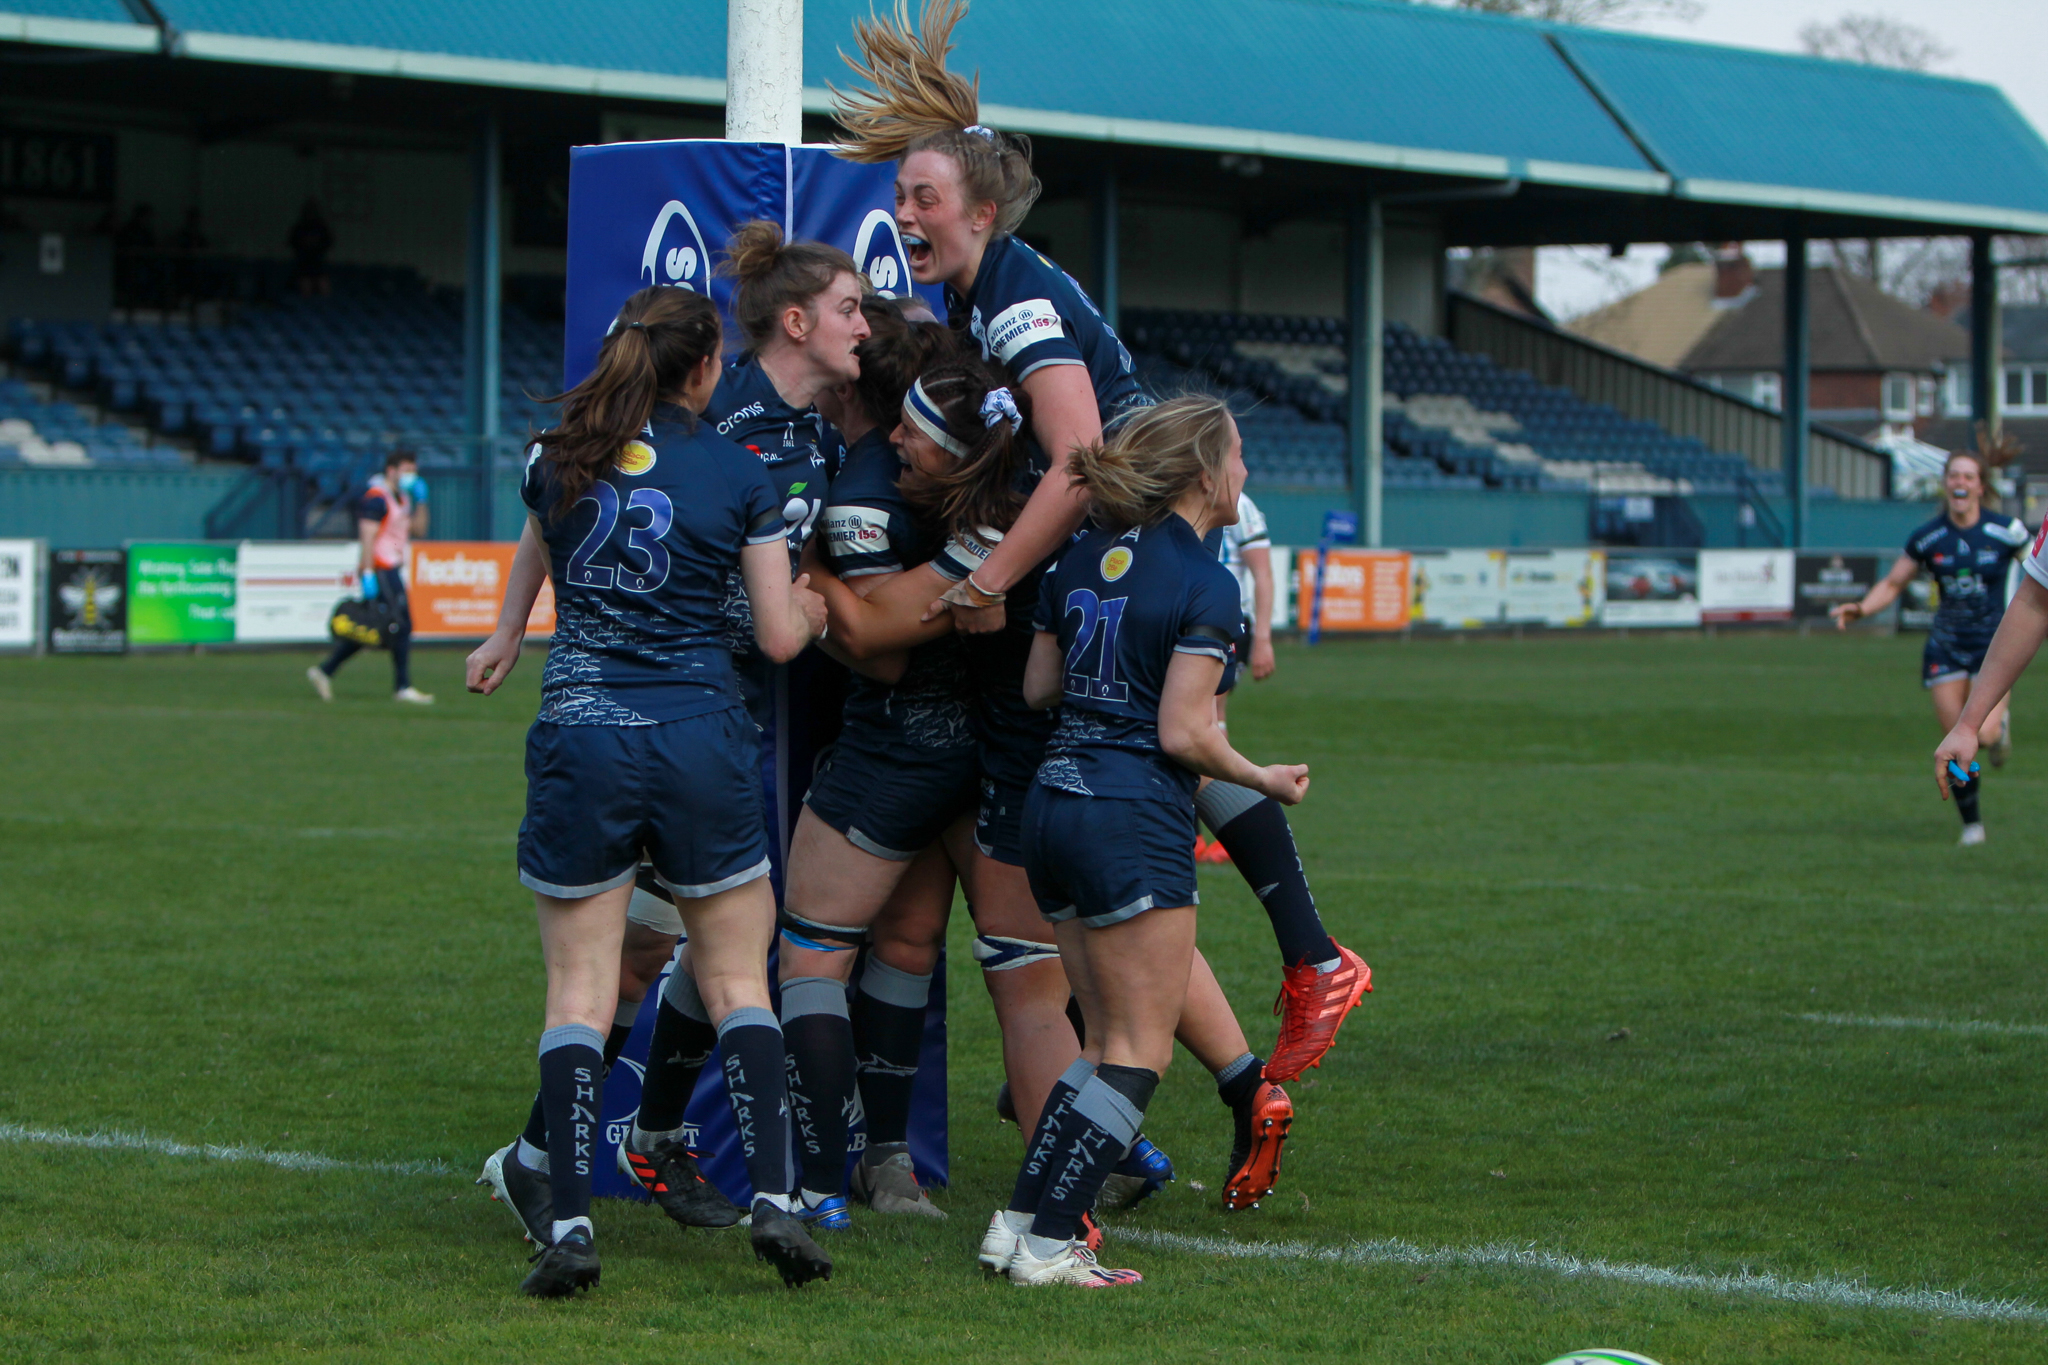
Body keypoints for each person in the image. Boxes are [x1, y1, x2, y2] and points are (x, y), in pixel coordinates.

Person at [835, 0, 1367, 1079]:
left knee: (1143, 746)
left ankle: (1302, 963)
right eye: (895, 197)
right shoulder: (988, 298)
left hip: (1138, 551)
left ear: (980, 212)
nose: (900, 215)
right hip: (1127, 555)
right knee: (1125, 755)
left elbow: (1080, 458)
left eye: (920, 197)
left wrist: (990, 571)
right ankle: (1237, 1016)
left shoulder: (1018, 298)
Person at [462, 285, 832, 1297]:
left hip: (583, 735)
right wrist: (808, 602)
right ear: (707, 365)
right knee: (734, 979)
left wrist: (505, 632)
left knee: (579, 991)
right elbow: (772, 638)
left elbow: (542, 534)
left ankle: (569, 1222)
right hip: (699, 738)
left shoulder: (557, 457)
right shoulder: (736, 469)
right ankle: (774, 1201)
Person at [985, 394, 1310, 1287]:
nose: (1246, 472)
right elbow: (1184, 733)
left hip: (1051, 806)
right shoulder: (1210, 582)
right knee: (1139, 1048)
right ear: (1206, 474)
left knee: (1099, 1043)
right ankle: (1052, 1242)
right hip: (1129, 815)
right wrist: (1264, 778)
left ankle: (1020, 1223)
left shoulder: (1083, 552)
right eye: (1239, 455)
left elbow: (1040, 688)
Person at [616, 222, 874, 1224]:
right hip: (668, 711)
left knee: (710, 938)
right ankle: (560, 1147)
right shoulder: (718, 419)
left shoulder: (818, 428)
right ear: (799, 320)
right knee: (642, 947)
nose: (867, 324)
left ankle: (647, 1136)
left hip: (738, 726)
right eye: (851, 308)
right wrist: (799, 613)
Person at [1832, 446, 2028, 845]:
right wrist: (1861, 608)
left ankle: (2000, 729)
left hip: (1994, 647)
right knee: (1955, 741)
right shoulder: (1928, 536)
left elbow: (2038, 574)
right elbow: (1892, 583)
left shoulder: (2006, 530)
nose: (1960, 482)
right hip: (1945, 647)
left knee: (1984, 736)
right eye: (1953, 475)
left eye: (1968, 476)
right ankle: (1971, 824)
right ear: (1945, 484)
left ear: (1980, 486)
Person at [307, 448, 433, 705]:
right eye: (407, 470)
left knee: (379, 627)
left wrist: (422, 501)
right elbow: (367, 539)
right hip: (380, 568)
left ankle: (325, 670)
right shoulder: (376, 498)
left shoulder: (404, 498)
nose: (412, 476)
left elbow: (419, 530)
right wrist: (366, 574)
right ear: (392, 470)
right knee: (398, 625)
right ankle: (402, 686)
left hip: (393, 567)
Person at [289, 199, 334, 297]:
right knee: (305, 283)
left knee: (322, 282)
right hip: (303, 262)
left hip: (318, 261)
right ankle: (306, 305)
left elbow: (329, 242)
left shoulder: (321, 227)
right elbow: (292, 242)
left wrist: (317, 247)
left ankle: (325, 307)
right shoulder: (300, 227)